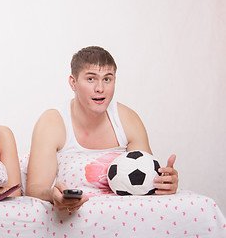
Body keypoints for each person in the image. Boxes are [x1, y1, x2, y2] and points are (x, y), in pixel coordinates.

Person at [26, 46, 179, 212]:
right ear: (73, 83)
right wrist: (52, 195)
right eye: (91, 79)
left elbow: (146, 179)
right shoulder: (52, 122)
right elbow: (34, 189)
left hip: (120, 215)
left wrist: (164, 183)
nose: (100, 88)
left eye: (107, 79)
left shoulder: (128, 120)